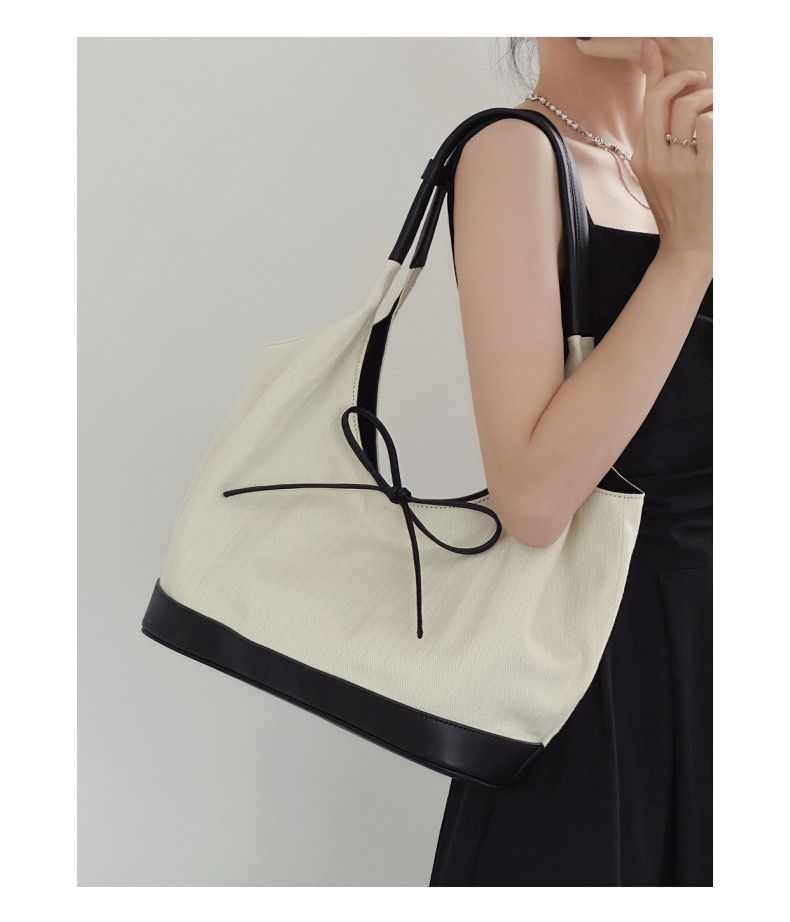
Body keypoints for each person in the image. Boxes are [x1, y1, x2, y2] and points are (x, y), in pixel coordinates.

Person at [428, 37, 713, 887]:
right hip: (607, 674)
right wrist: (689, 253)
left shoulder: (716, 161)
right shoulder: (515, 154)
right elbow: (532, 499)